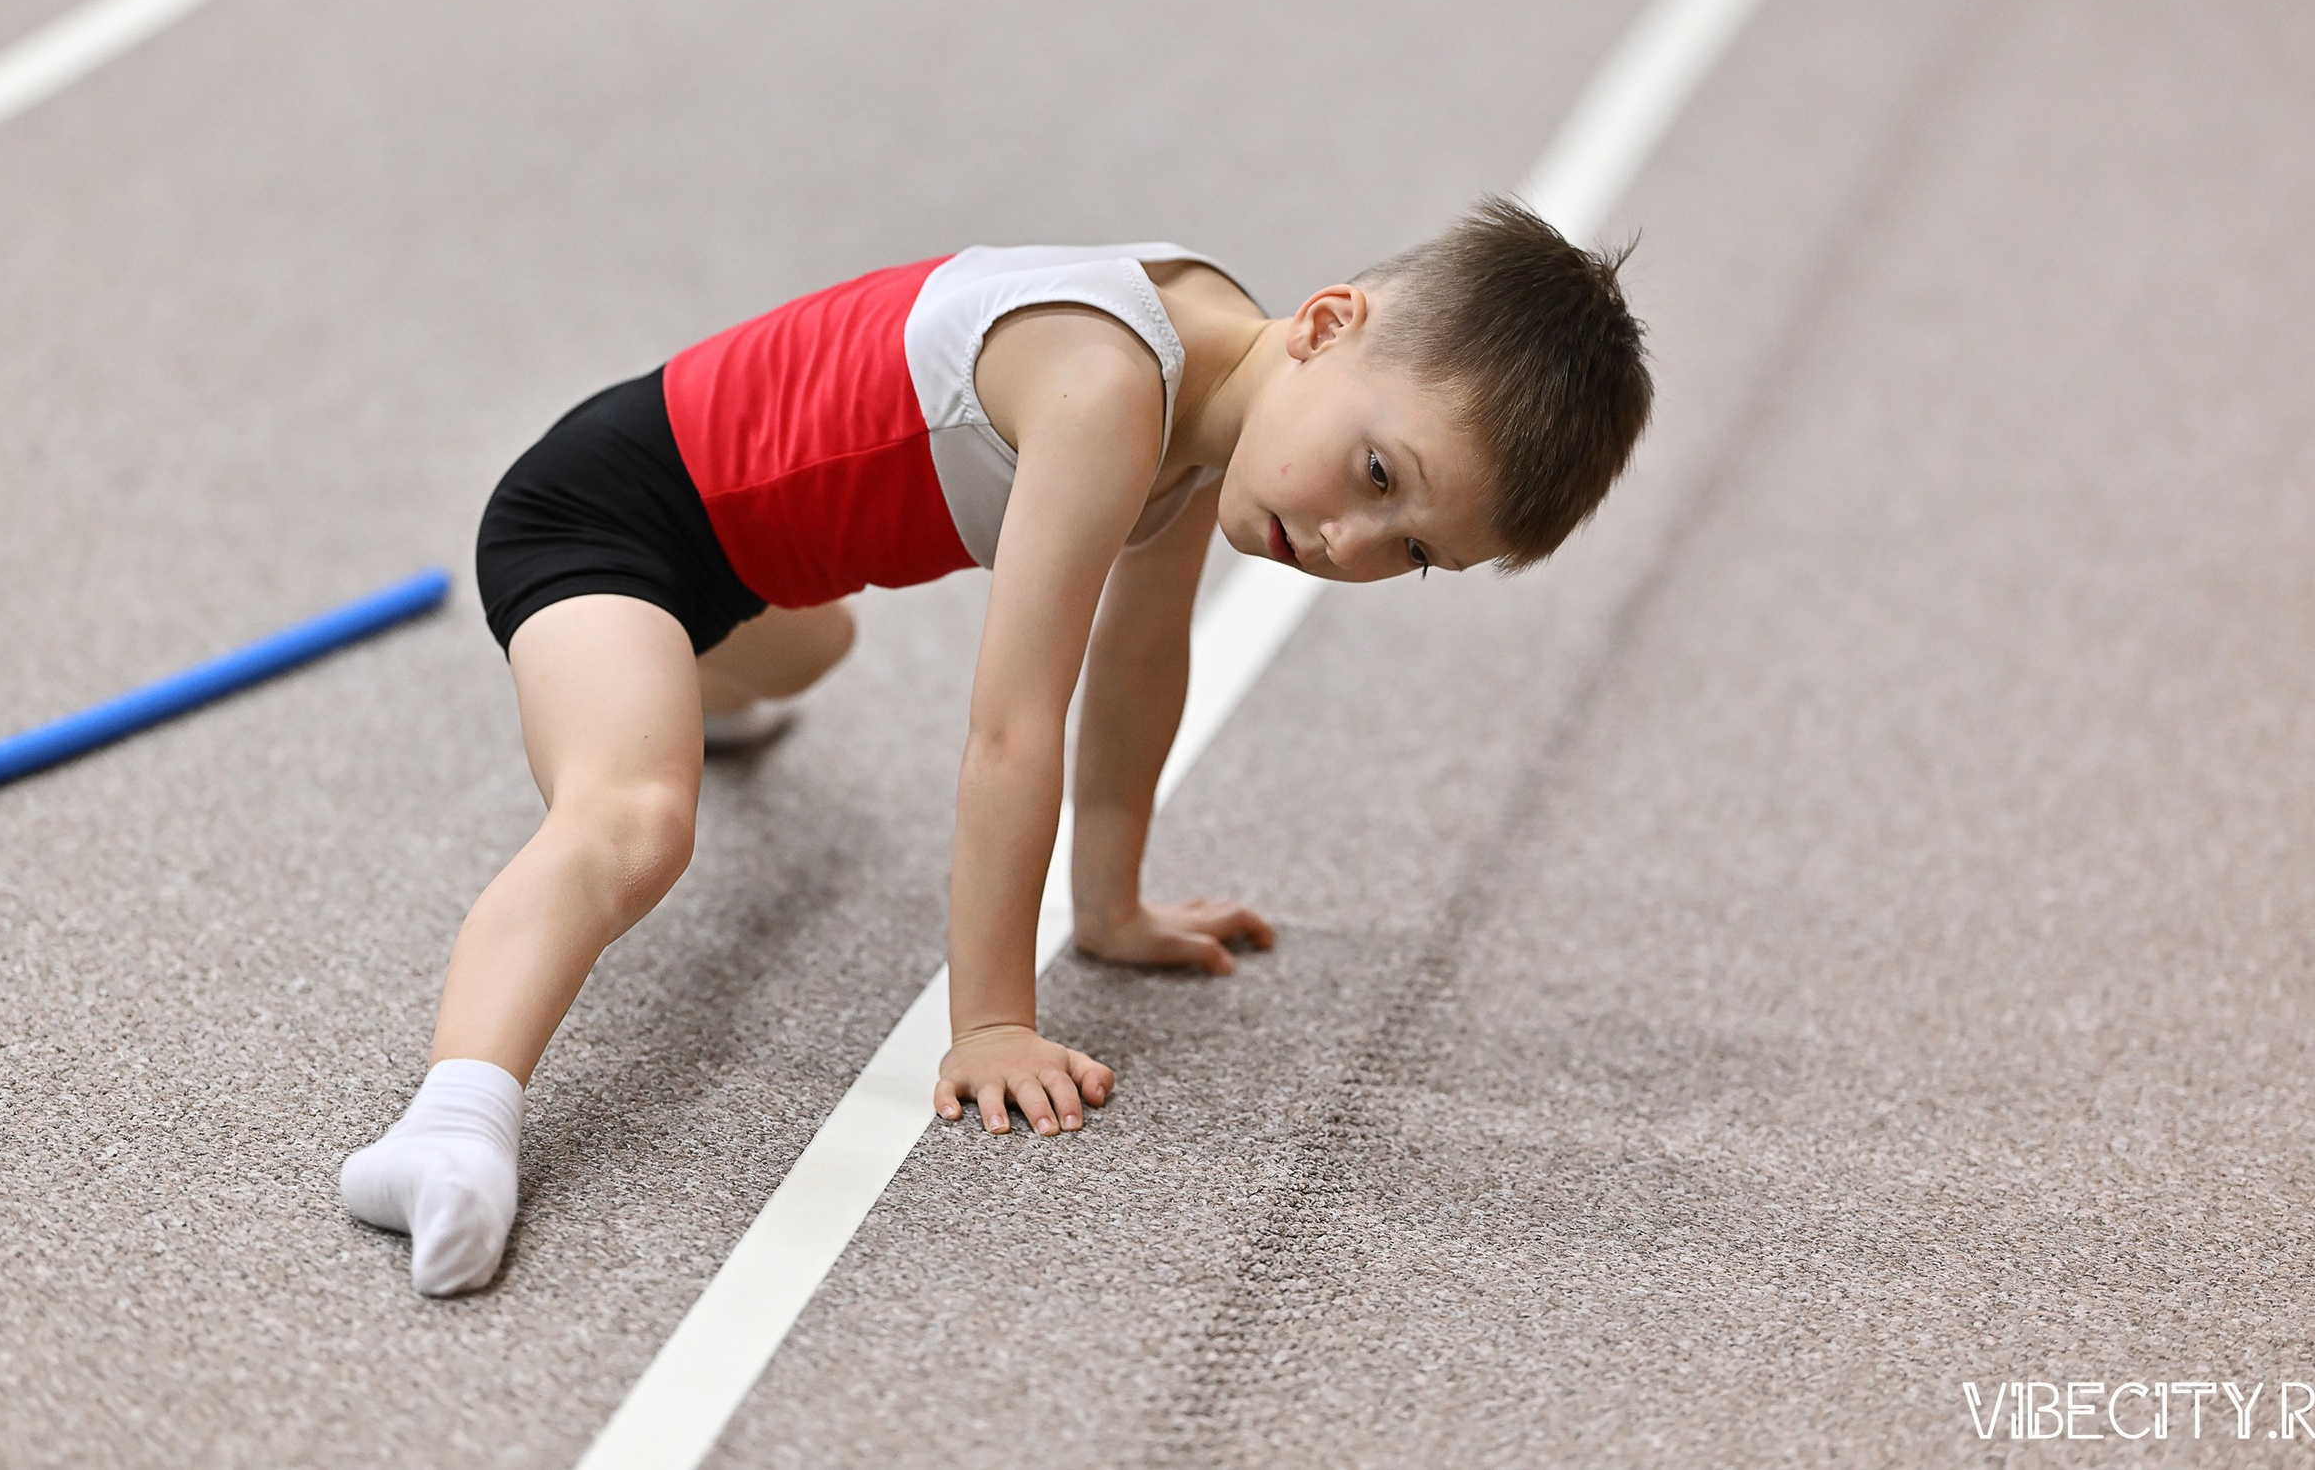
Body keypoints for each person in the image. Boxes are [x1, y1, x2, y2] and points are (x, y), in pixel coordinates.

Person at [341, 195, 1652, 1295]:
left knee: (819, 648)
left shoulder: (1234, 381)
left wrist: (1112, 904)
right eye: (1378, 478)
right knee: (636, 820)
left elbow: (1140, 658)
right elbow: (1014, 721)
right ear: (1323, 324)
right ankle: (450, 1124)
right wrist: (991, 1024)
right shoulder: (1107, 387)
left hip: (749, 582)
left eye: (1414, 552)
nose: (1352, 549)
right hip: (597, 523)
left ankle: (680, 689)